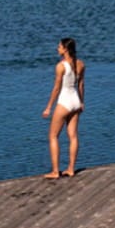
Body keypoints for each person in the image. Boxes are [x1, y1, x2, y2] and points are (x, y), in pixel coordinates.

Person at [42, 37, 85, 179]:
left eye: (59, 46)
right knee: (73, 136)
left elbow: (56, 88)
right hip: (76, 101)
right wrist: (82, 102)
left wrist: (48, 107)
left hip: (65, 102)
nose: (57, 48)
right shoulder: (80, 64)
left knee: (53, 136)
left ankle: (55, 171)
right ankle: (71, 169)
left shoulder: (61, 66)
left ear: (65, 49)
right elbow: (81, 85)